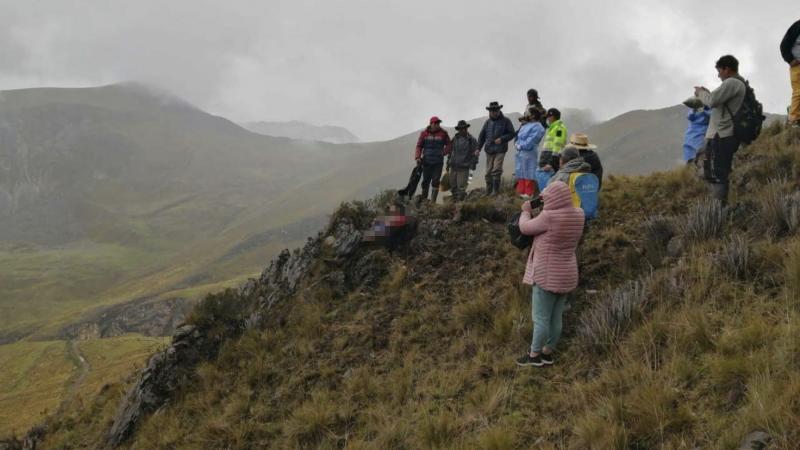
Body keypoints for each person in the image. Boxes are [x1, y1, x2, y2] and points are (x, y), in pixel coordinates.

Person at [516, 181, 585, 367]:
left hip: (546, 275)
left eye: (546, 197)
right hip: (567, 274)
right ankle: (548, 352)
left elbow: (525, 227)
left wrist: (525, 211)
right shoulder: (579, 214)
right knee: (556, 317)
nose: (544, 200)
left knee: (541, 319)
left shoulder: (549, 217)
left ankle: (534, 355)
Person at [694, 55, 747, 204]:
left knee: (717, 175)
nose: (718, 75)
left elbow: (712, 101)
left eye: (719, 71)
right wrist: (708, 93)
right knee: (716, 171)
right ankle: (719, 206)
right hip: (724, 135)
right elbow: (717, 101)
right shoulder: (738, 84)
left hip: (721, 136)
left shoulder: (731, 83)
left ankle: (718, 209)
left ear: (726, 69)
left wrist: (700, 93)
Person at [477, 101, 516, 196]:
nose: (494, 112)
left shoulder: (506, 121)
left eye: (495, 110)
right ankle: (488, 191)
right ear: (489, 111)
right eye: (492, 111)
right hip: (489, 149)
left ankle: (495, 191)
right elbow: (482, 136)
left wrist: (502, 139)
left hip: (500, 149)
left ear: (499, 110)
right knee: (488, 171)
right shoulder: (487, 122)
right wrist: (478, 148)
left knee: (496, 169)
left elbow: (512, 133)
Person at [414, 116, 452, 203]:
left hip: (438, 162)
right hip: (426, 161)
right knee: (425, 181)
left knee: (435, 181)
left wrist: (443, 152)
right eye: (436, 123)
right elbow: (419, 146)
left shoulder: (443, 133)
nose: (437, 124)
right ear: (431, 124)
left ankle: (433, 202)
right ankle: (424, 200)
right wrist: (418, 157)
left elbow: (449, 145)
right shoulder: (424, 134)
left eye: (438, 123)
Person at [514, 111, 546, 199]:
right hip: (521, 153)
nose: (526, 115)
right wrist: (517, 144)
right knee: (521, 171)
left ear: (533, 115)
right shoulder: (525, 125)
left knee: (529, 171)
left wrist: (521, 145)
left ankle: (528, 193)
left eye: (529, 114)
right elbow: (519, 137)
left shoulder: (538, 127)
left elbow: (531, 141)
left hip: (530, 153)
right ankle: (520, 191)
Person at [448, 120, 479, 201]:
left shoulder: (471, 140)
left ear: (466, 128)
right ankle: (455, 204)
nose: (462, 130)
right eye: (460, 129)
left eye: (464, 128)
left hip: (464, 168)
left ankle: (461, 205)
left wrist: (473, 164)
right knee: (453, 187)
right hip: (453, 167)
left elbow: (476, 153)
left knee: (461, 189)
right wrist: (448, 162)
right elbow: (450, 151)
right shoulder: (454, 139)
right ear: (458, 129)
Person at [780, 19, 800, 128]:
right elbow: (784, 44)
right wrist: (790, 59)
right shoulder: (797, 26)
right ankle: (793, 119)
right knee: (799, 91)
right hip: (797, 65)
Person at [681, 97, 711, 165]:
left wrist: (703, 112)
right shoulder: (693, 110)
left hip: (702, 130)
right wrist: (694, 111)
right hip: (691, 130)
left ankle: (699, 160)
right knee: (688, 146)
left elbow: (711, 116)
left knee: (699, 147)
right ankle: (690, 161)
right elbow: (690, 117)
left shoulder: (708, 109)